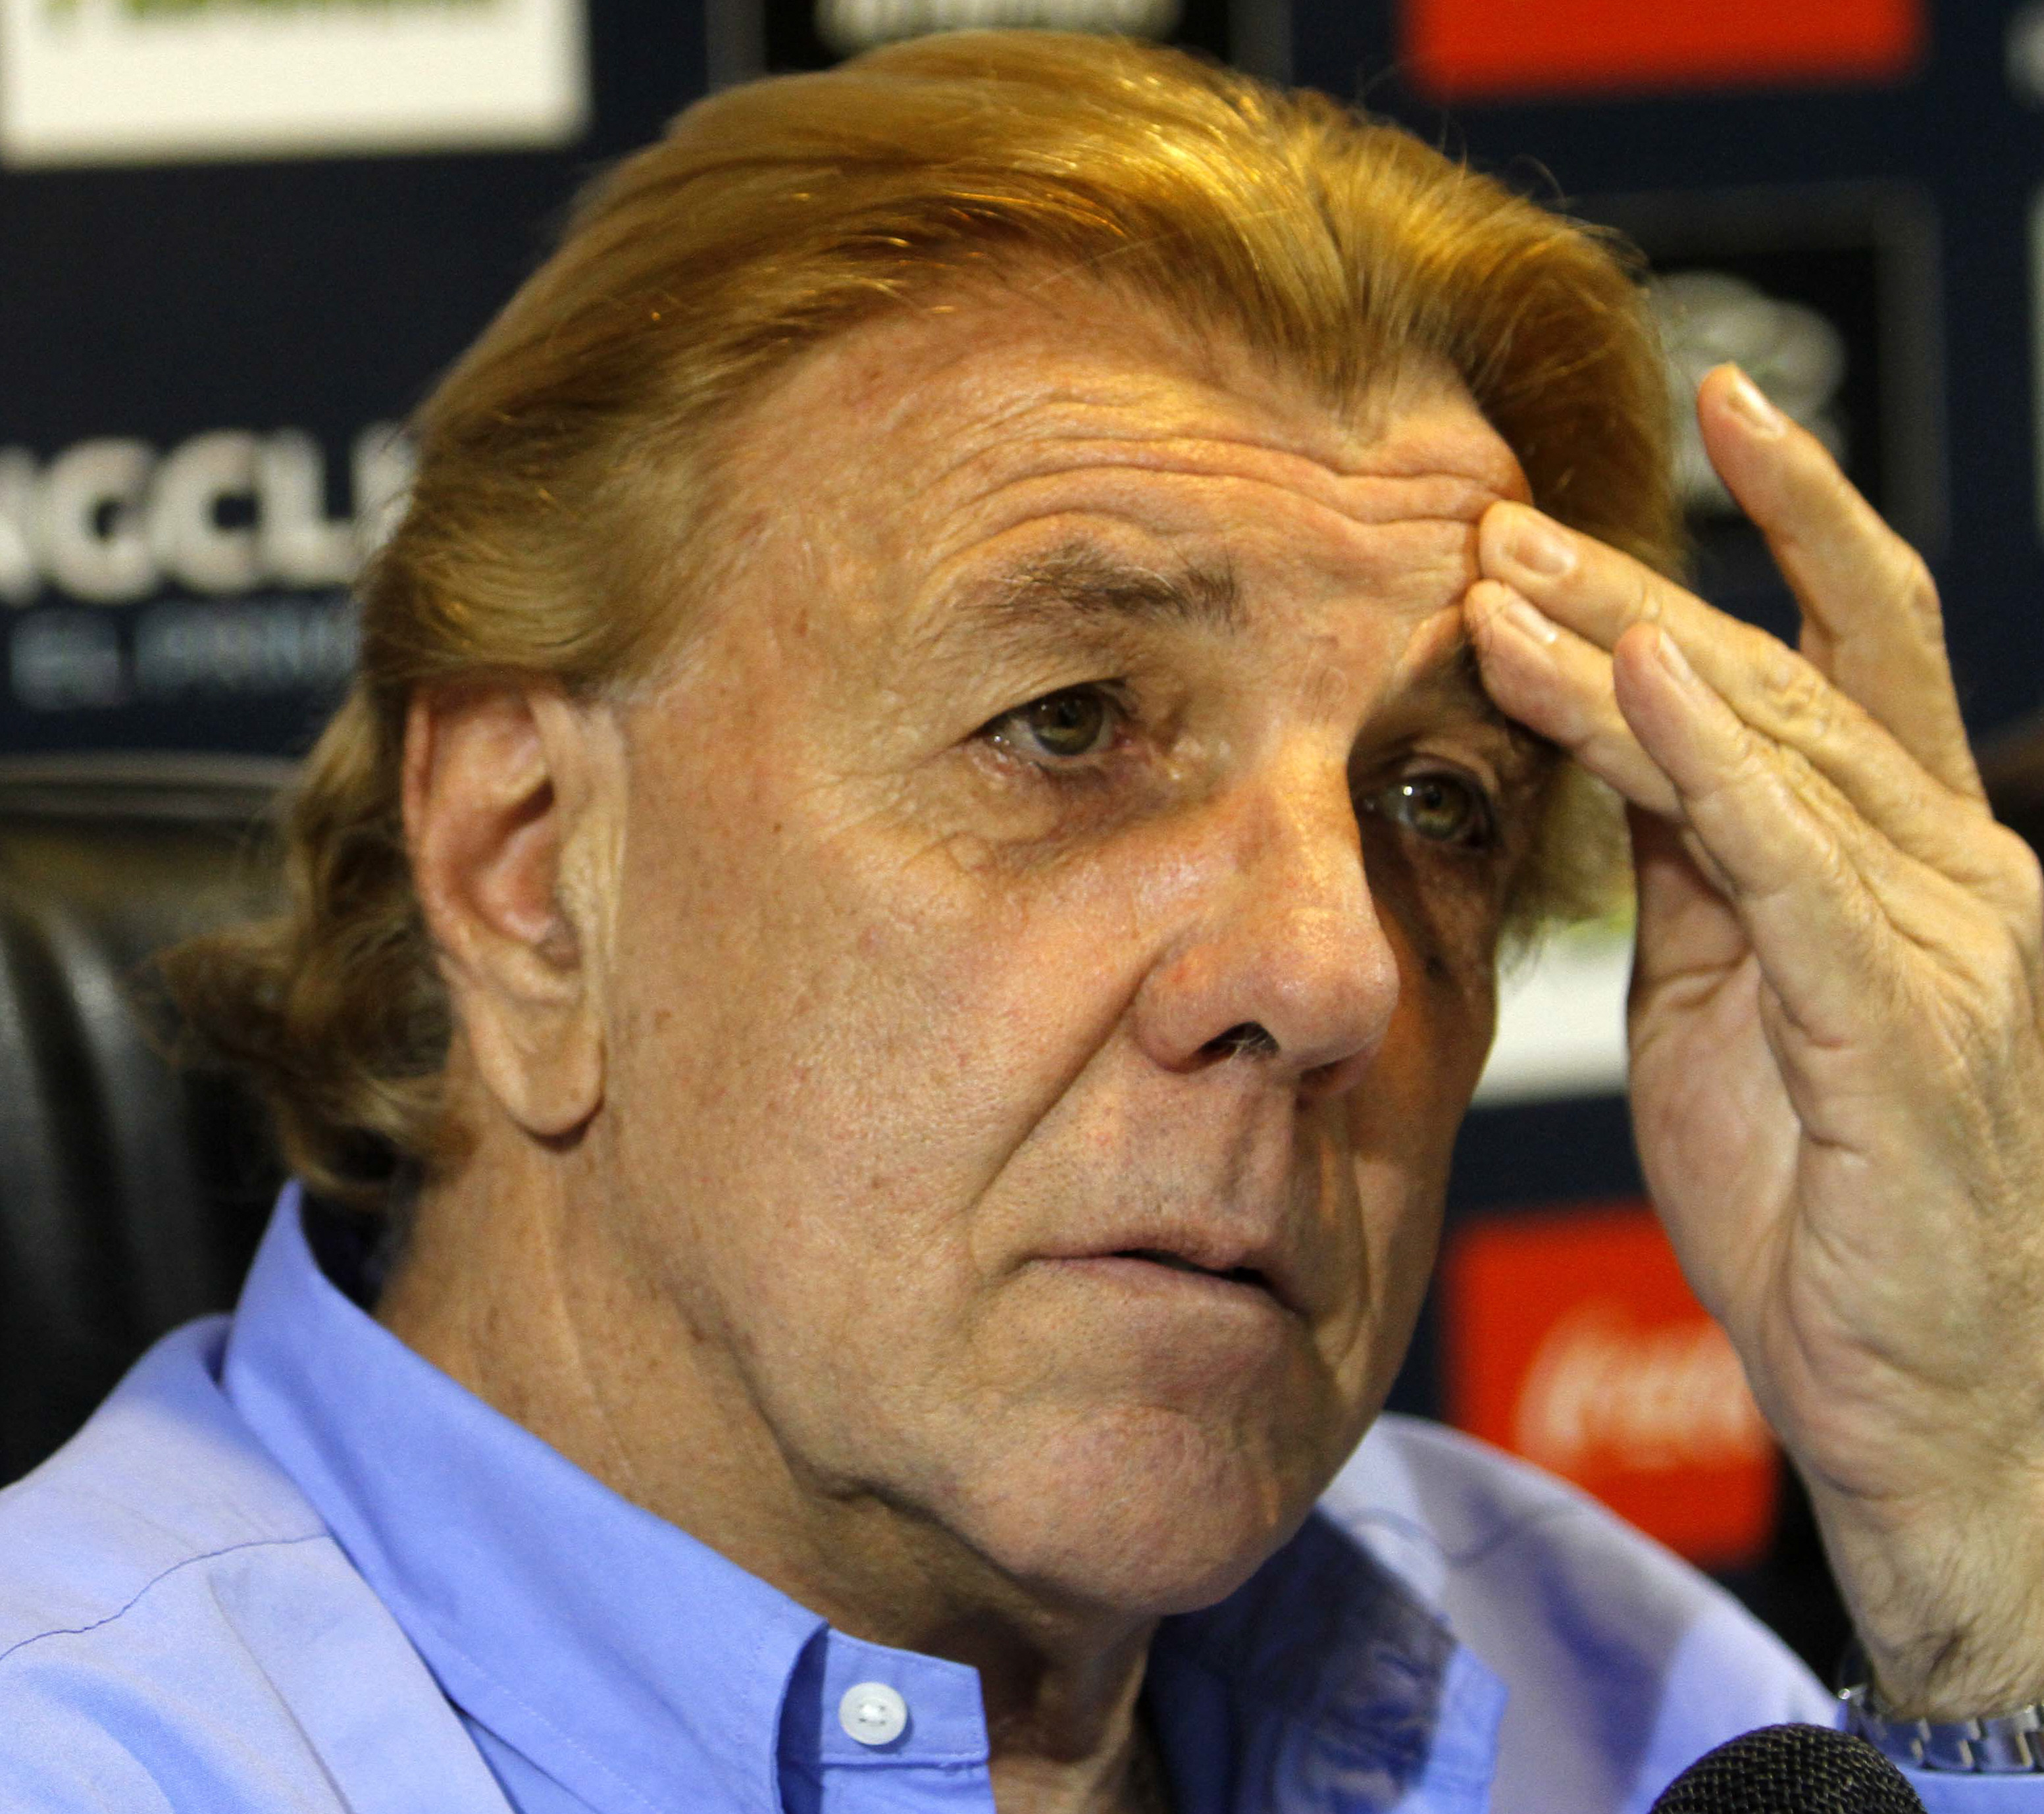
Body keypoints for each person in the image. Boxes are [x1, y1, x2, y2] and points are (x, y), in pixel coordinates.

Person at [4, 28, 2042, 1814]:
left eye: (1435, 803)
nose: (1332, 971)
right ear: (529, 869)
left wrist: (1982, 1547)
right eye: (1067, 725)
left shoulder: (1618, 1693)